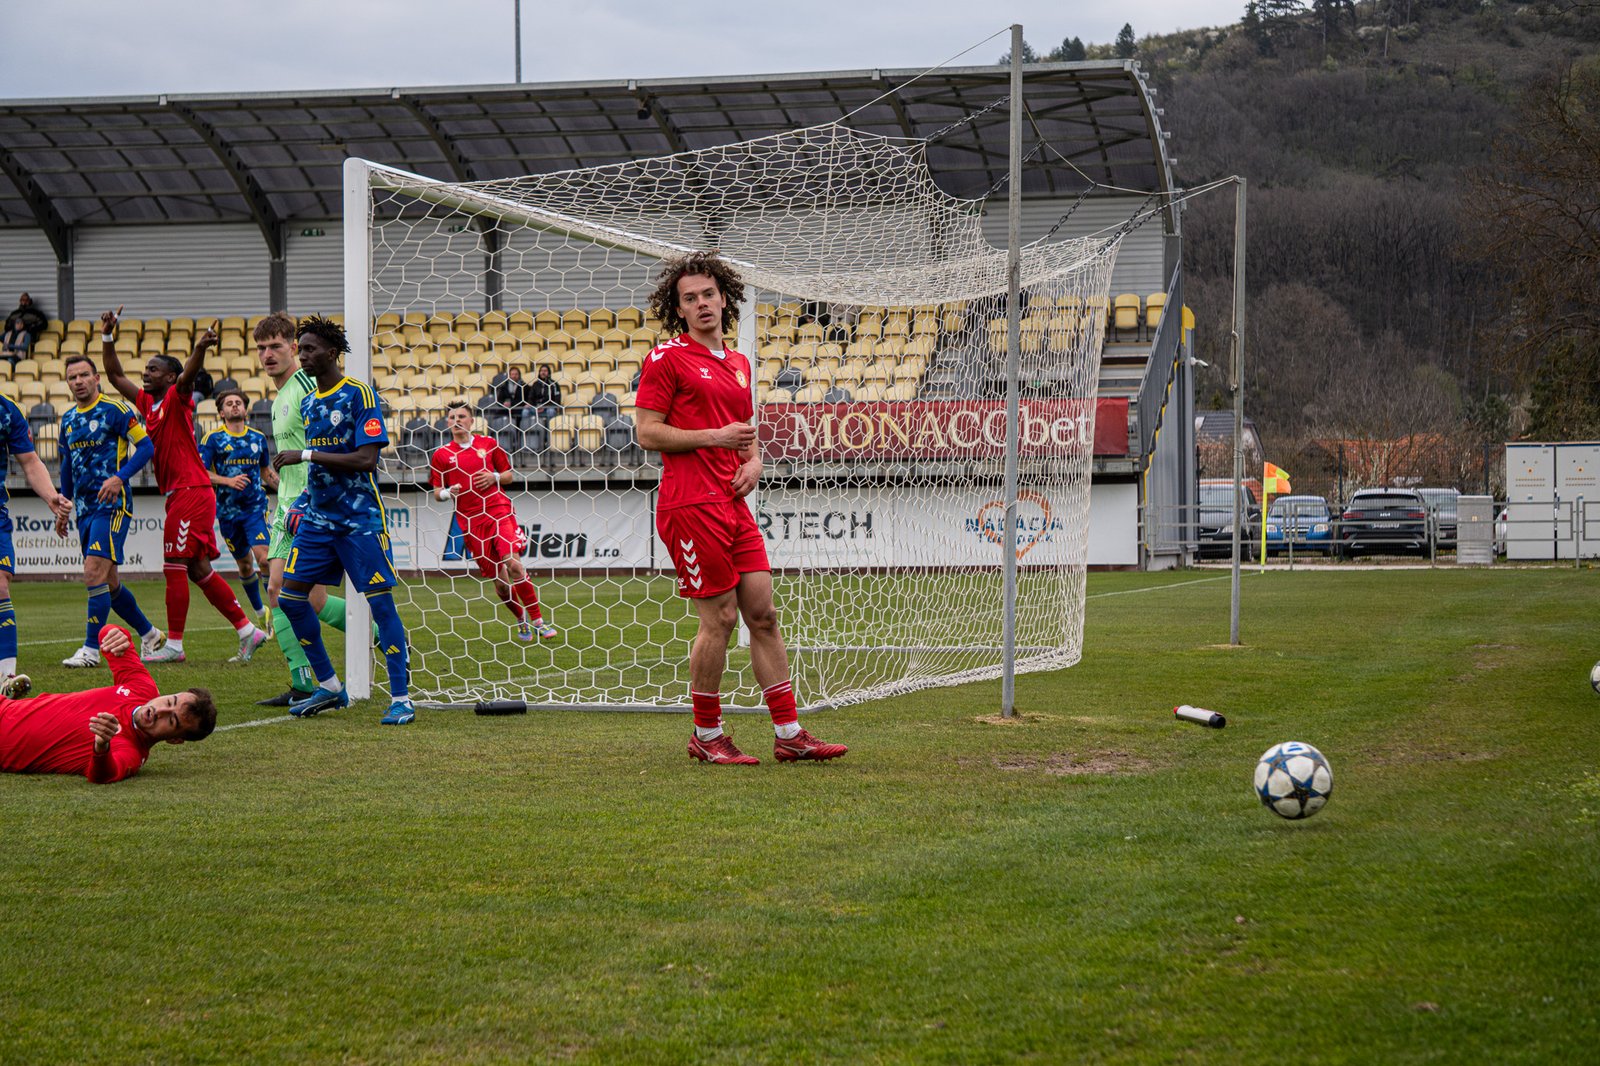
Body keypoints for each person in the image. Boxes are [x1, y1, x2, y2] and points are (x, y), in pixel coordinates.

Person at [636, 251, 847, 765]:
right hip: (691, 505)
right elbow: (647, 432)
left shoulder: (738, 363)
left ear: (724, 297)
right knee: (721, 619)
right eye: (690, 298)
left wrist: (754, 463)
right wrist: (715, 437)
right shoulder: (666, 358)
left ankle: (790, 734)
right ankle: (706, 737)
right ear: (679, 309)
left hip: (733, 505)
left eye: (708, 294)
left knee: (763, 615)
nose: (702, 304)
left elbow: (745, 435)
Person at [98, 311, 266, 664]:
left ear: (170, 377)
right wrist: (108, 336)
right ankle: (247, 631)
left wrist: (200, 348)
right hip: (182, 493)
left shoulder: (177, 396)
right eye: (145, 369)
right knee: (197, 569)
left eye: (153, 370)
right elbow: (114, 375)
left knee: (174, 564)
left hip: (191, 490)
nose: (145, 373)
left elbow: (188, 376)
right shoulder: (148, 403)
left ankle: (174, 645)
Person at [271, 315, 414, 725]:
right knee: (290, 598)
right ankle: (330, 685)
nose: (303, 356)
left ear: (331, 353)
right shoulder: (309, 402)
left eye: (310, 349)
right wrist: (302, 501)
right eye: (300, 349)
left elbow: (366, 459)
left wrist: (305, 455)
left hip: (358, 521)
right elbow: (319, 468)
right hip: (318, 520)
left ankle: (401, 698)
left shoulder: (358, 394)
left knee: (379, 604)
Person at [252, 312, 350, 707]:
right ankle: (305, 681)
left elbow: (326, 443)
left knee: (287, 593)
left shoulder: (308, 384)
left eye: (276, 346)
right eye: (261, 348)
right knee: (299, 596)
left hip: (310, 504)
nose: (268, 354)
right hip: (287, 503)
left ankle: (312, 680)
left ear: (294, 347)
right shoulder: (280, 397)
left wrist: (307, 496)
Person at [0, 623, 216, 783]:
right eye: (170, 701)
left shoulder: (131, 752)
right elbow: (108, 633)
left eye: (171, 720)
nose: (160, 710)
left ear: (175, 740)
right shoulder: (143, 688)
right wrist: (117, 634)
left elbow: (104, 774)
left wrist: (102, 745)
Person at [55, 354, 165, 668]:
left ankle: (91, 649)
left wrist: (119, 478)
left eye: (83, 375)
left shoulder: (115, 410)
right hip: (85, 509)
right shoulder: (68, 419)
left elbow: (146, 447)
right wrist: (65, 504)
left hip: (112, 506)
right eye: (72, 377)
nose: (78, 381)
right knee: (110, 581)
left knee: (93, 572)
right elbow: (67, 464)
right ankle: (150, 634)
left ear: (96, 378)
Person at [429, 399, 555, 641]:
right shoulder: (442, 455)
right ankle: (521, 618)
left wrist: (494, 477)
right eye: (452, 417)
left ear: (471, 420)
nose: (457, 421)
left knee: (514, 565)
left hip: (498, 511)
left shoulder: (489, 444)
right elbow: (436, 493)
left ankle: (538, 620)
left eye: (461, 416)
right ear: (447, 423)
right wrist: (448, 492)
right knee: (501, 584)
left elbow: (508, 476)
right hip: (471, 522)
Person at [0, 392, 73, 694]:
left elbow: (30, 461)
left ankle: (5, 679)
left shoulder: (7, 410)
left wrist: (51, 497)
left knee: (0, 584)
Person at [201, 389, 276, 622]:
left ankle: (279, 612)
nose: (234, 406)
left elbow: (265, 471)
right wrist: (228, 481)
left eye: (238, 403)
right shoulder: (212, 439)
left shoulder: (258, 438)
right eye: (229, 403)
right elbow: (201, 472)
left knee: (264, 559)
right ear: (222, 413)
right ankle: (261, 612)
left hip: (255, 508)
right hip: (228, 513)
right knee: (244, 566)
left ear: (245, 410)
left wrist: (283, 488)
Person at [1, 293, 47, 362]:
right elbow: (7, 326)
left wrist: (30, 328)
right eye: (22, 300)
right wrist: (14, 328)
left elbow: (44, 324)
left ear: (30, 301)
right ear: (20, 301)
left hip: (27, 335)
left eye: (26, 300)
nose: (24, 302)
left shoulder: (36, 313)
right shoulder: (14, 313)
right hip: (13, 334)